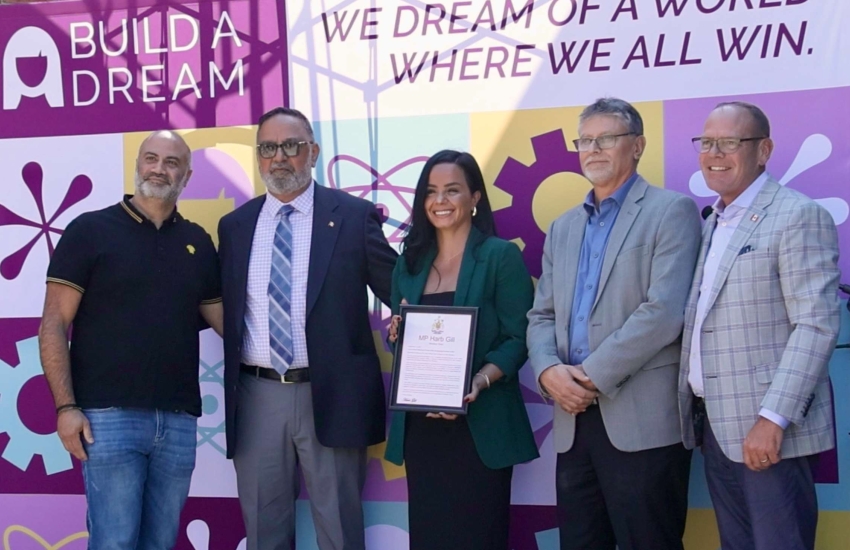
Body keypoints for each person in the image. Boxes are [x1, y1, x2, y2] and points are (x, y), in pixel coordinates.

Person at [217, 107, 397, 550]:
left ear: (313, 152)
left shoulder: (353, 217)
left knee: (339, 529)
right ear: (258, 157)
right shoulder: (235, 226)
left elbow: (401, 288)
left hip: (333, 392)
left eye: (292, 146)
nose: (280, 157)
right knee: (264, 530)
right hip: (257, 395)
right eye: (268, 148)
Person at [526, 98, 702, 550]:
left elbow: (664, 311)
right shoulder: (562, 228)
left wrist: (588, 376)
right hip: (573, 421)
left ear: (638, 145)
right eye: (585, 140)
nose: (593, 149)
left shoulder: (671, 211)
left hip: (641, 419)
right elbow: (541, 314)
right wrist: (549, 372)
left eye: (607, 139)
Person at [39, 130, 223, 550]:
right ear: (137, 164)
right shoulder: (90, 230)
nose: (159, 168)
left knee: (160, 544)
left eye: (171, 162)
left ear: (187, 175)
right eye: (151, 158)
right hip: (107, 418)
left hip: (178, 421)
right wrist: (66, 407)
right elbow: (53, 323)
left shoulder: (197, 241)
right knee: (114, 543)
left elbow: (228, 323)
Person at [679, 101, 840, 550]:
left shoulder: (796, 216)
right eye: (707, 143)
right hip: (716, 427)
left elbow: (816, 325)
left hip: (768, 433)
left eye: (729, 143)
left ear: (763, 149)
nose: (715, 153)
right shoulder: (713, 220)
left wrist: (773, 418)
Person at [384, 150, 538, 550]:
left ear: (475, 198)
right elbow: (401, 340)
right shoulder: (410, 262)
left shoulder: (500, 257)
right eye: (432, 191)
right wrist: (397, 331)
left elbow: (519, 337)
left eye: (452, 190)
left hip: (479, 426)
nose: (440, 201)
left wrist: (480, 380)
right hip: (423, 430)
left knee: (478, 536)